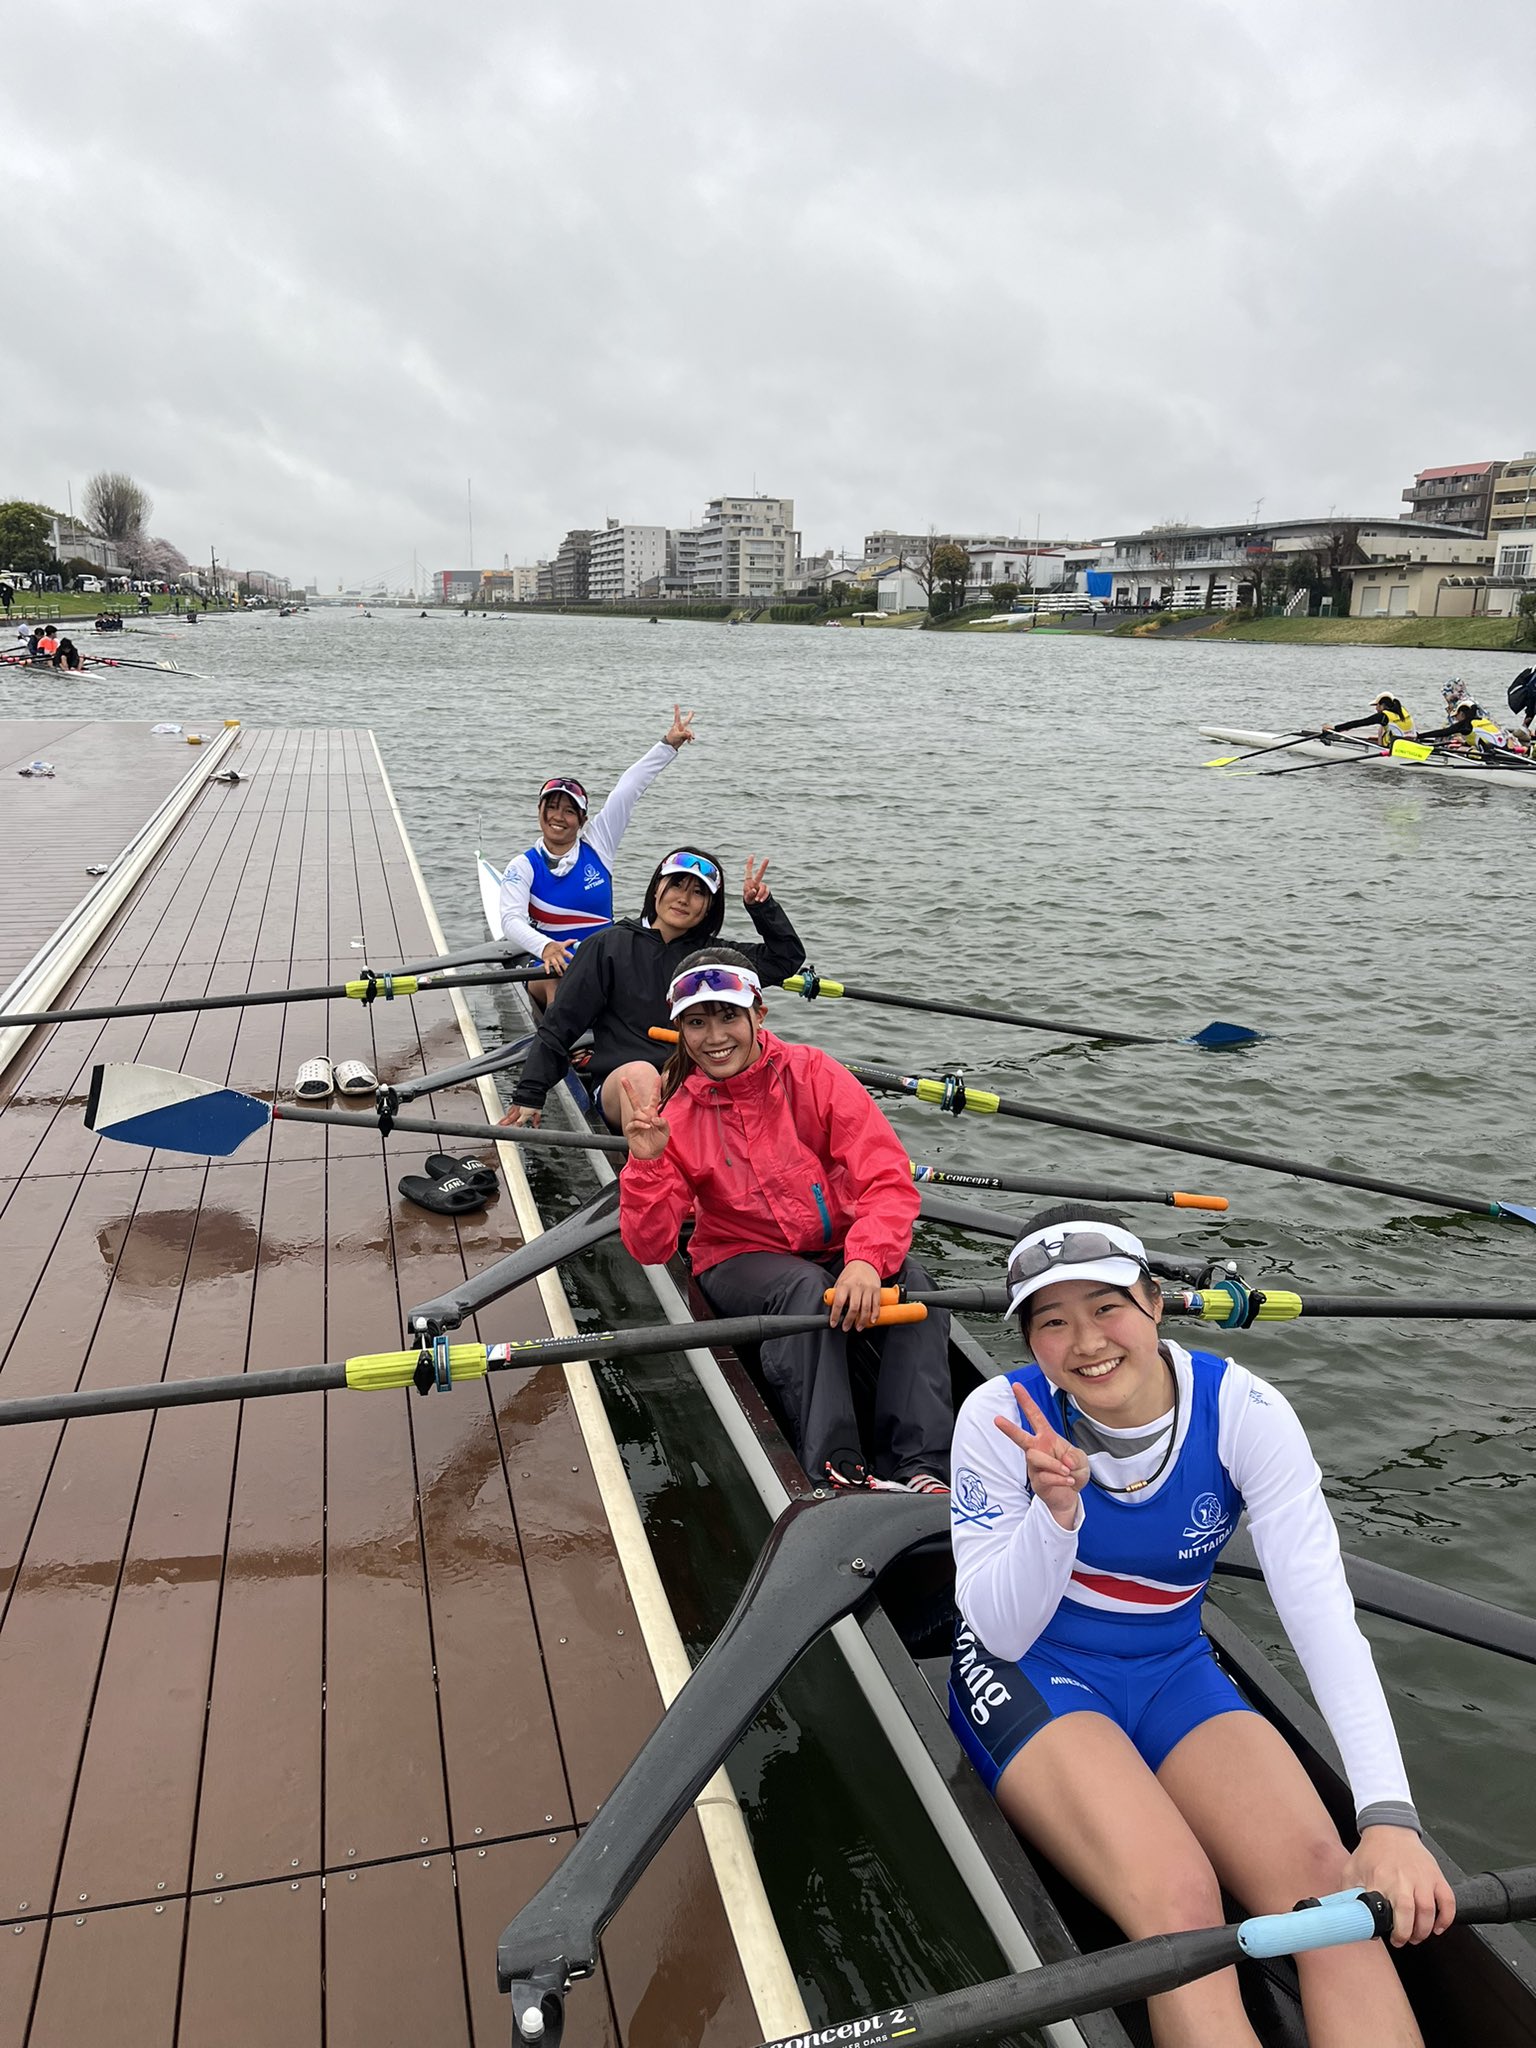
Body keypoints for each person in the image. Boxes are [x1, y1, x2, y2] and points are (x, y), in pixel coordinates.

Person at [946, 1208, 1454, 2048]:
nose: (1085, 1342)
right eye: (1051, 1321)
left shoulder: (1247, 1412)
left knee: (1332, 1901)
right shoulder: (999, 1421)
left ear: (1154, 1303)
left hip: (1172, 1669)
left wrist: (1390, 1817)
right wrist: (1055, 1515)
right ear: (1028, 1341)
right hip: (1035, 1669)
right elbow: (997, 1629)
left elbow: (1322, 1615)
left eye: (1106, 1307)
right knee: (1180, 1907)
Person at [618, 946, 953, 1493]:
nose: (715, 1035)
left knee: (917, 1286)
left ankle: (922, 1469)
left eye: (728, 1016)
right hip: (739, 1258)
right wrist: (648, 1162)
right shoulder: (674, 1117)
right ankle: (835, 1469)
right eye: (697, 1023)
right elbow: (651, 1248)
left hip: (839, 1245)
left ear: (759, 1015)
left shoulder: (816, 1074)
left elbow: (886, 1179)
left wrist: (867, 1261)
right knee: (804, 1288)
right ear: (680, 1031)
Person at [505, 847, 802, 1133]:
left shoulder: (712, 958)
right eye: (676, 885)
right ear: (657, 889)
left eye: (698, 892)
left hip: (690, 1079)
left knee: (691, 1076)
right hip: (621, 1083)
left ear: (710, 906)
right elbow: (560, 1024)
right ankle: (660, 1168)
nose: (684, 899)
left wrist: (762, 908)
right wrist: (530, 1094)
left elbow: (785, 958)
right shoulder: (608, 946)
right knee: (643, 1075)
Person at [496, 705, 698, 1009]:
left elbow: (627, 790)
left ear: (582, 819)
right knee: (559, 978)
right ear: (540, 813)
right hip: (548, 965)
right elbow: (511, 921)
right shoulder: (523, 866)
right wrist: (546, 946)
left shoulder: (599, 845)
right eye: (551, 807)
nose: (558, 817)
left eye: (568, 810)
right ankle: (561, 1048)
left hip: (602, 962)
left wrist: (667, 745)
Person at [1321, 692, 1415, 746]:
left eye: (1376, 706)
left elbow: (1360, 723)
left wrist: (1335, 729)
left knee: (1382, 727)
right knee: (1383, 727)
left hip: (1396, 747)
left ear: (1382, 706)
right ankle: (1381, 741)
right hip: (1411, 742)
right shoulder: (1402, 710)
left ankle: (1382, 745)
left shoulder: (1383, 716)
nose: (1375, 708)